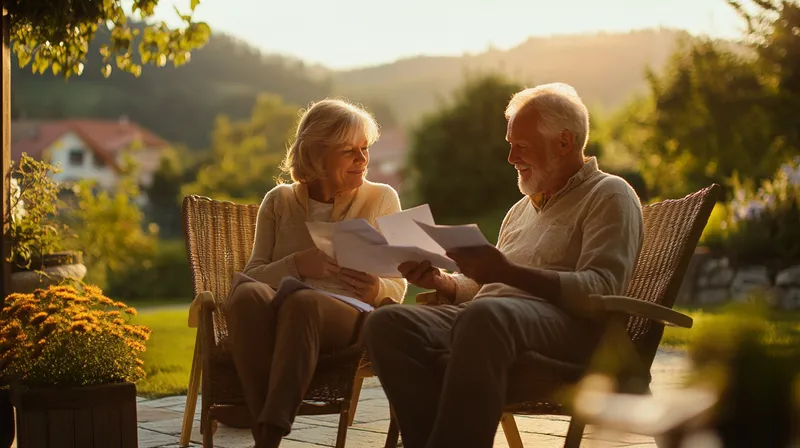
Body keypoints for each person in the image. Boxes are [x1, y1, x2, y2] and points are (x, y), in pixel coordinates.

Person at [363, 83, 645, 448]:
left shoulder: (609, 194)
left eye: (521, 146)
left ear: (564, 142)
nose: (511, 158)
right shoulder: (521, 209)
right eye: (510, 145)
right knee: (387, 323)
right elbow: (488, 286)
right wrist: (444, 282)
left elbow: (602, 287)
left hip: (571, 331)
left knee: (487, 317)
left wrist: (507, 274)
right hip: (491, 320)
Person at [225, 98, 407, 448]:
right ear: (315, 154)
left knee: (303, 302)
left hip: (347, 315)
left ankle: (268, 434)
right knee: (246, 295)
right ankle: (265, 419)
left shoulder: (382, 198)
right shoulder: (278, 201)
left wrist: (375, 289)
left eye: (364, 148)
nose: (362, 159)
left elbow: (399, 284)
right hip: (280, 307)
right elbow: (252, 275)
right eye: (348, 151)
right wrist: (298, 265)